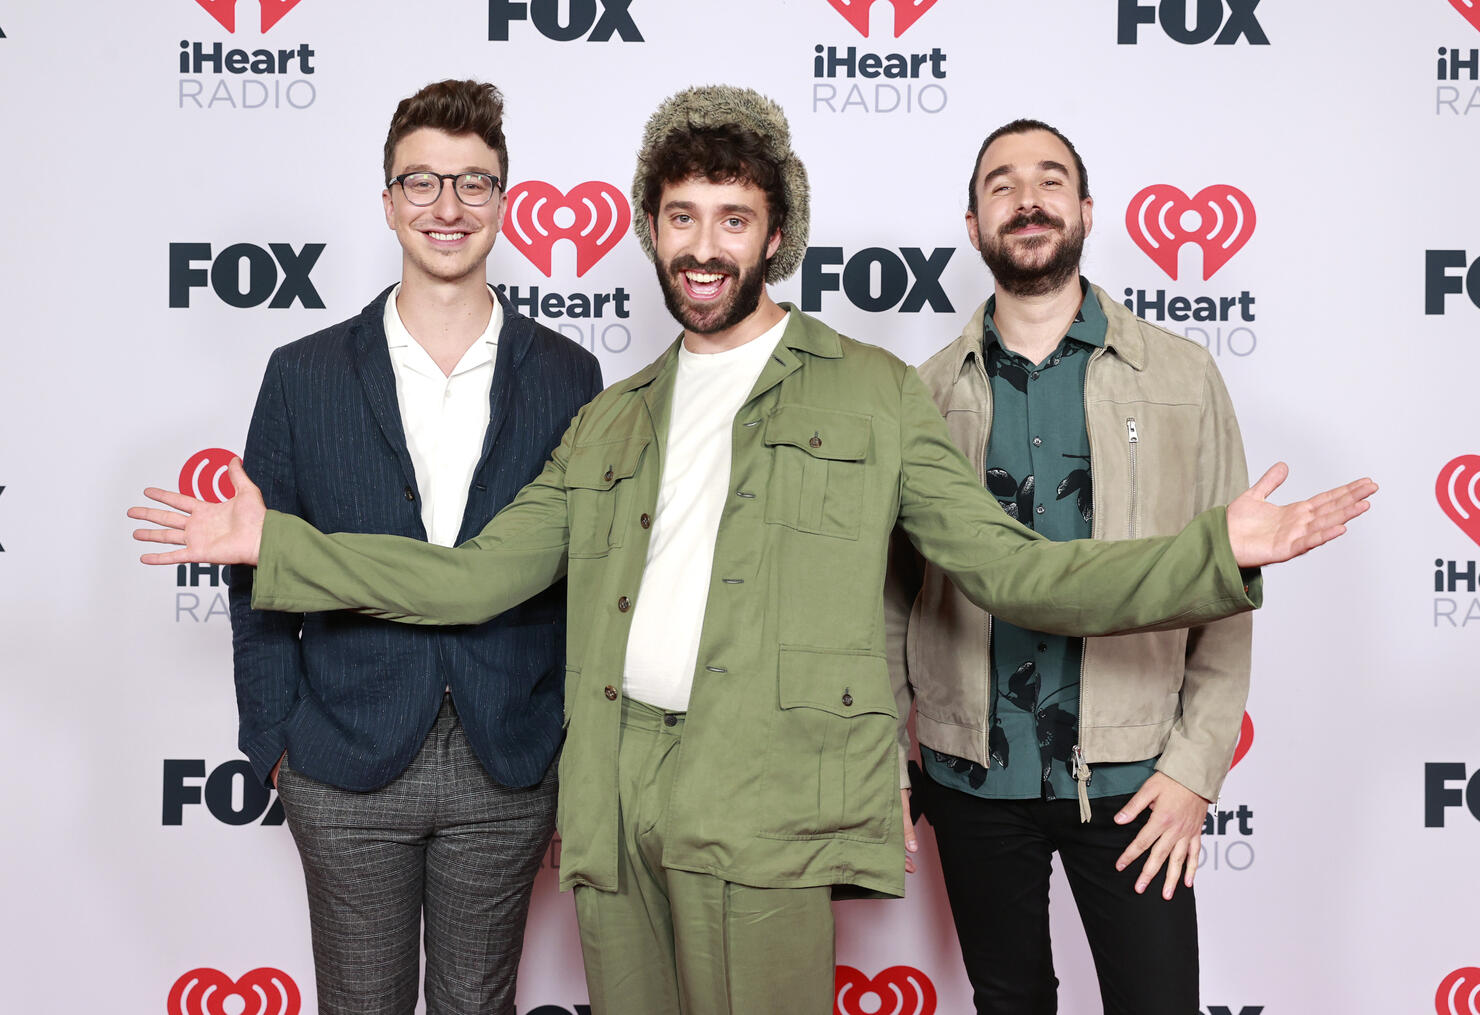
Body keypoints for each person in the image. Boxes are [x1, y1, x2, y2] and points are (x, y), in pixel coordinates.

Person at [131, 86, 1373, 1015]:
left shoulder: (876, 392)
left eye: (734, 217)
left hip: (767, 811)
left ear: (775, 235)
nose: (704, 244)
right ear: (651, 233)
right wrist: (277, 545)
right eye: (681, 217)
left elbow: (1014, 572)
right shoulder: (609, 414)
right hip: (619, 818)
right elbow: (476, 576)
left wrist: (1215, 549)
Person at [225, 79, 602, 1015]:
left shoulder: (569, 373)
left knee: (480, 1005)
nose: (447, 207)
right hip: (343, 757)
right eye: (422, 182)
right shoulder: (302, 372)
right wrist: (272, 740)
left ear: (504, 203)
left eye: (473, 184)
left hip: (505, 756)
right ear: (387, 201)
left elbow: (583, 577)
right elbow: (254, 560)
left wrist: (565, 739)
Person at [886, 118, 1252, 1014]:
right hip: (969, 776)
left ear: (1085, 211)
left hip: (1134, 780)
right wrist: (887, 767)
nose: (1027, 198)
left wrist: (1194, 767)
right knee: (1009, 1001)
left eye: (1050, 180)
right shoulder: (918, 395)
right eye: (1000, 184)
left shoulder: (1183, 376)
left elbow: (1227, 593)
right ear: (972, 224)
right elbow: (891, 598)